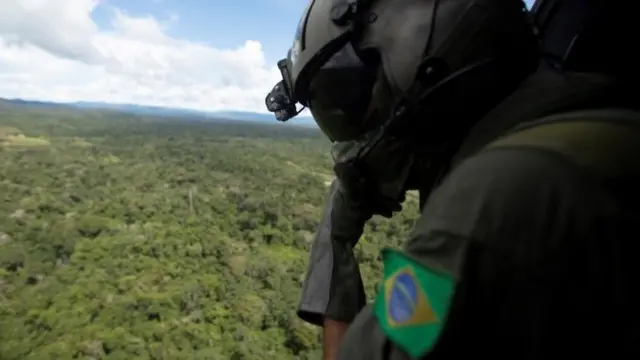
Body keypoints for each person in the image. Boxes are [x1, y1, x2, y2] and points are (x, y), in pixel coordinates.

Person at [265, 0, 540, 358]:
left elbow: (381, 347)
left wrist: (335, 236)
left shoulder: (480, 208)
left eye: (352, 98)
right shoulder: (539, 131)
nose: (362, 133)